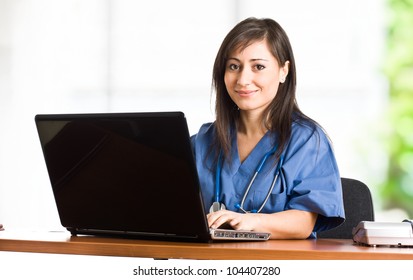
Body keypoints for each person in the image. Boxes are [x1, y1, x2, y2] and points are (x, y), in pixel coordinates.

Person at [191, 17, 345, 239]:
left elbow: (304, 223)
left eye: (258, 67)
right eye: (234, 66)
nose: (243, 79)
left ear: (284, 71)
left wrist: (252, 221)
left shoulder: (306, 141)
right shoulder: (203, 141)